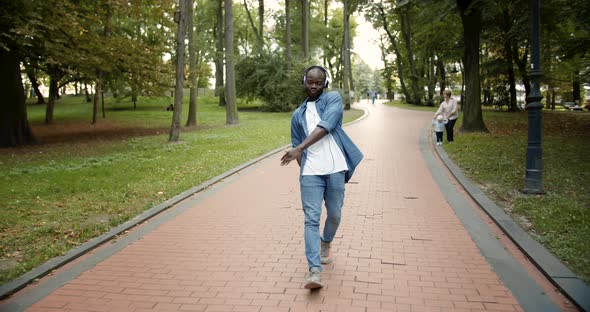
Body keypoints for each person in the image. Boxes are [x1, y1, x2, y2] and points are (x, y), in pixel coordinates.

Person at [280, 66, 363, 289]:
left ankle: (326, 242)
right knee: (311, 219)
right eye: (310, 82)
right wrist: (304, 165)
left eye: (318, 82)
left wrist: (299, 148)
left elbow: (326, 126)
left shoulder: (333, 100)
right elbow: (297, 141)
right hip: (311, 174)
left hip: (335, 168)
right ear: (304, 82)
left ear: (324, 83)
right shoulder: (297, 115)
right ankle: (314, 271)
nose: (314, 86)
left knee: (335, 214)